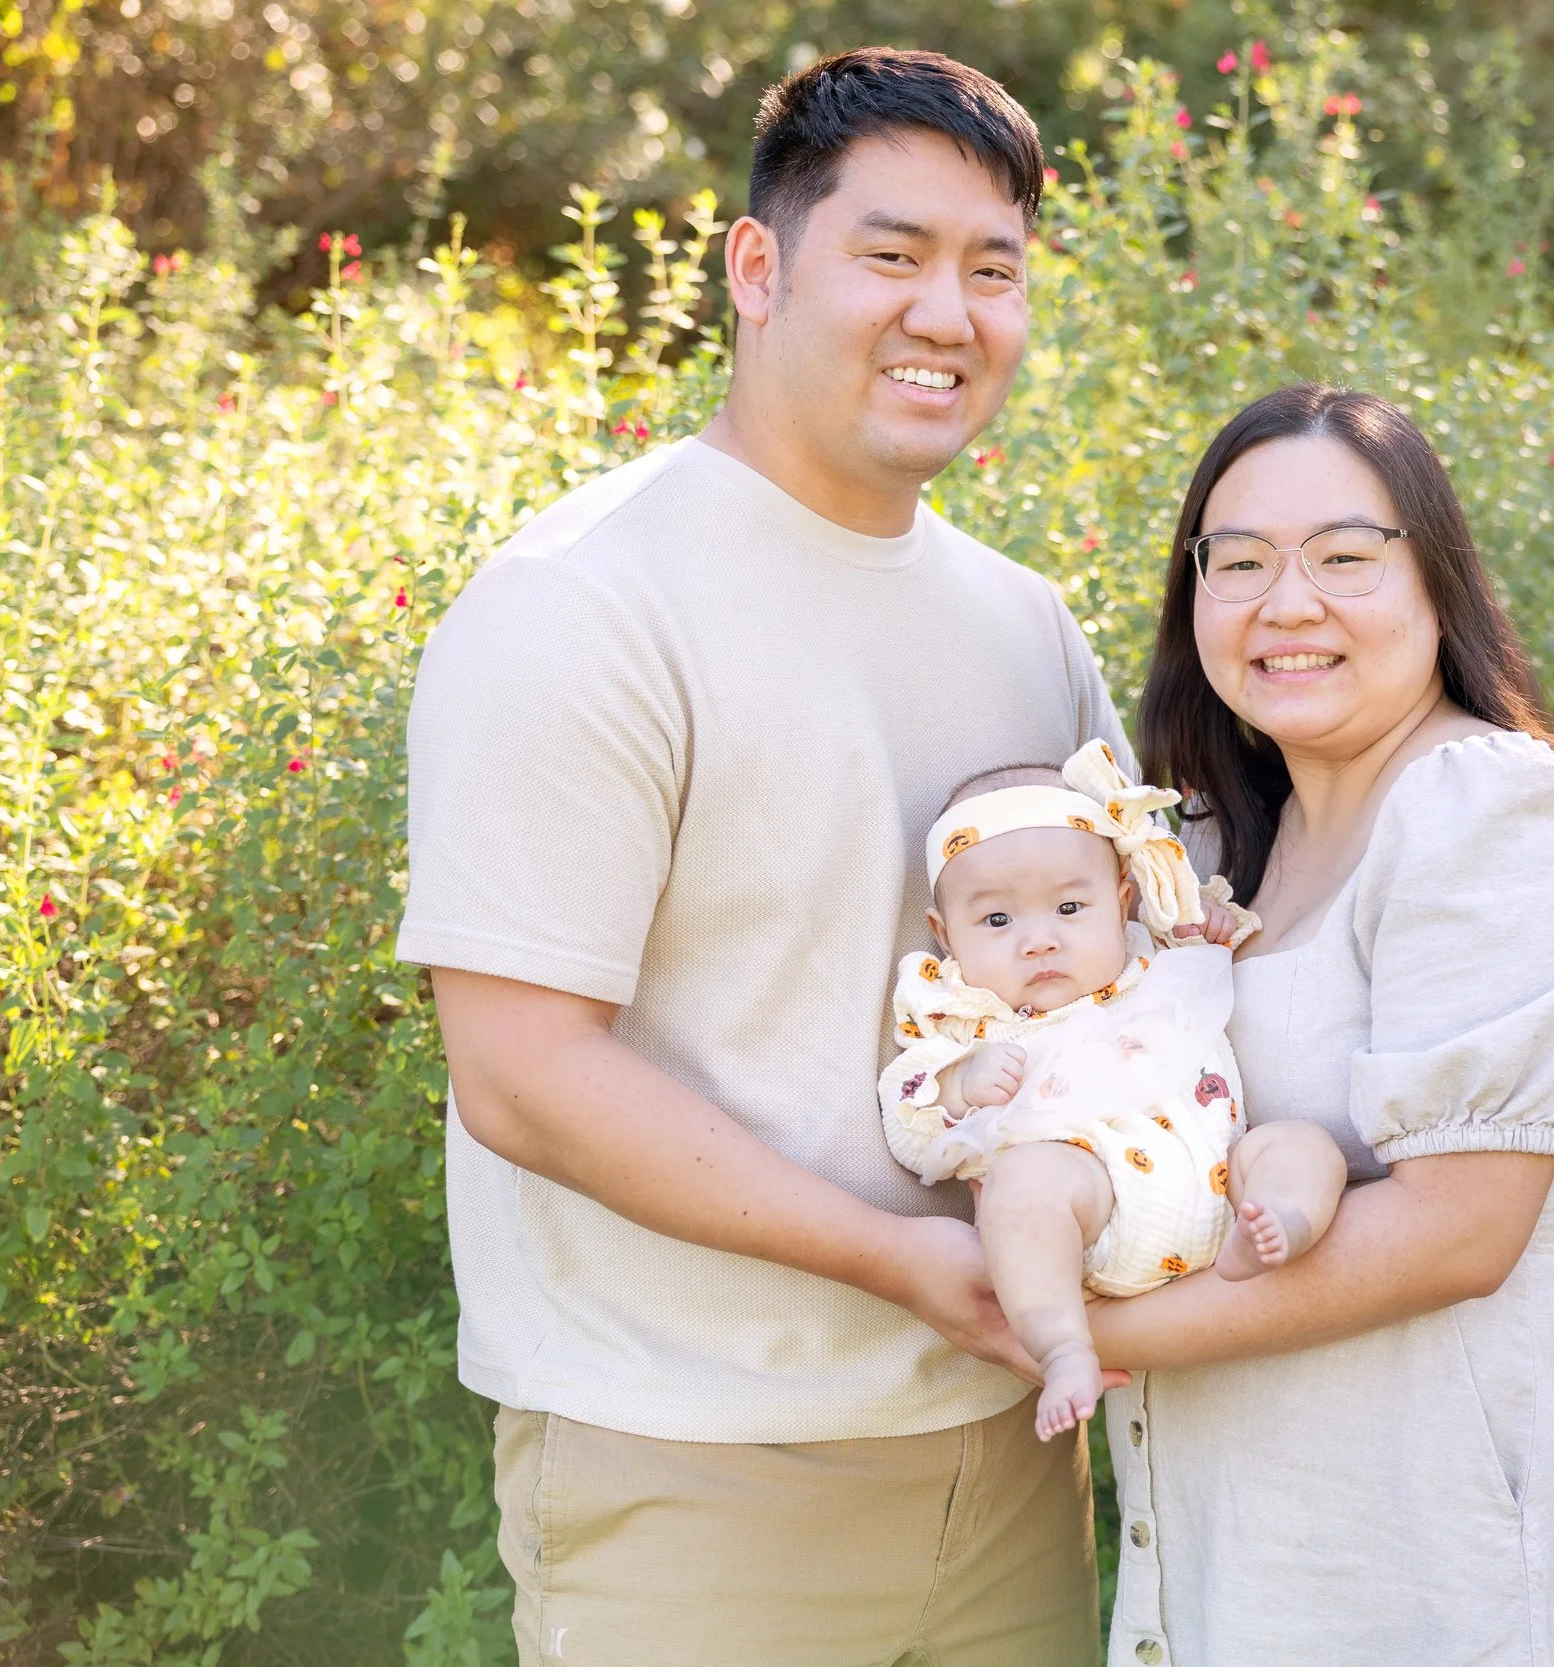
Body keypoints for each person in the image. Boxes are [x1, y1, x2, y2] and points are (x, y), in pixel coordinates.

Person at [396, 48, 1113, 1667]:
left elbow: (1114, 996)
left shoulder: (1025, 626)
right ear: (758, 264)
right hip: (696, 1463)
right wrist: (900, 1258)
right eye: (894, 253)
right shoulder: (580, 604)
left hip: (1013, 1458)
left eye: (992, 271)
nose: (950, 311)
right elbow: (519, 1071)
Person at [1090, 384, 1554, 1665]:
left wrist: (1069, 1333)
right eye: (1235, 561)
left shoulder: (1488, 812)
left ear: (1436, 585)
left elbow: (1456, 1230)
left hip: (1437, 1584)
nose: (1285, 602)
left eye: (1345, 558)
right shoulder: (1212, 853)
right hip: (1245, 1573)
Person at [878, 743, 1347, 1441]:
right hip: (1091, 1215)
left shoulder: (1153, 954)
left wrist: (1211, 926)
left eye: (1070, 906)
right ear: (947, 935)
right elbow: (908, 1116)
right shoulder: (964, 1016)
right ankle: (1065, 1345)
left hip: (1223, 1181)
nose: (1039, 940)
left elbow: (1222, 949)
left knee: (1299, 1146)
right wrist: (958, 1081)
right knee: (1024, 1186)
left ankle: (1279, 1223)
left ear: (1122, 899)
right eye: (998, 921)